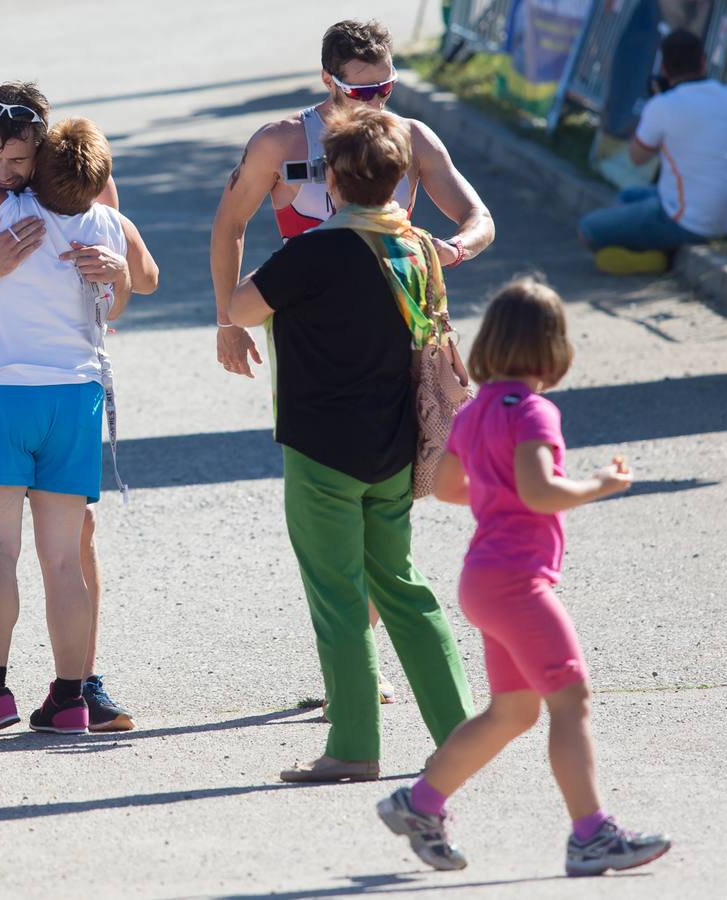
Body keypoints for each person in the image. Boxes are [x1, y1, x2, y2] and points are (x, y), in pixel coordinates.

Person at [211, 18, 493, 711]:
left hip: (397, 331)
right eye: (358, 90)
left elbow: (478, 217)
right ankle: (354, 670)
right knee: (333, 490)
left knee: (384, 495)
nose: (373, 102)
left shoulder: (413, 139)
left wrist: (448, 250)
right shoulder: (282, 141)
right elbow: (229, 223)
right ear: (327, 82)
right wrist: (227, 319)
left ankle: (356, 673)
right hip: (308, 330)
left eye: (384, 88)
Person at [376, 276, 671, 877]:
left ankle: (419, 802)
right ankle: (592, 836)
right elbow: (540, 491)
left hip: (482, 580)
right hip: (518, 581)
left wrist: (499, 487)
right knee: (571, 700)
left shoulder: (479, 409)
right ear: (553, 349)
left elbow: (452, 487)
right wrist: (599, 485)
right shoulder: (534, 412)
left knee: (514, 712)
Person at [227, 106, 473, 783]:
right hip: (397, 445)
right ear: (398, 179)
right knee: (401, 585)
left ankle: (355, 746)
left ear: (330, 177)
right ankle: (458, 731)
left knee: (337, 594)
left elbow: (242, 308)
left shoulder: (315, 251)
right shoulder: (418, 246)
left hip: (320, 447)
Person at [0, 117, 157, 738]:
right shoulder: (108, 224)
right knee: (64, 561)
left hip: (1, 395)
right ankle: (70, 699)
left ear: (37, 166)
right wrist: (116, 268)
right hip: (75, 399)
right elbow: (147, 279)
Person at [578, 29, 727, 275]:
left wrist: (654, 105)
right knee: (630, 197)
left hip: (688, 220)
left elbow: (637, 158)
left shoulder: (664, 105)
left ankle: (656, 259)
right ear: (703, 61)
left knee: (588, 230)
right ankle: (657, 247)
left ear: (664, 69)